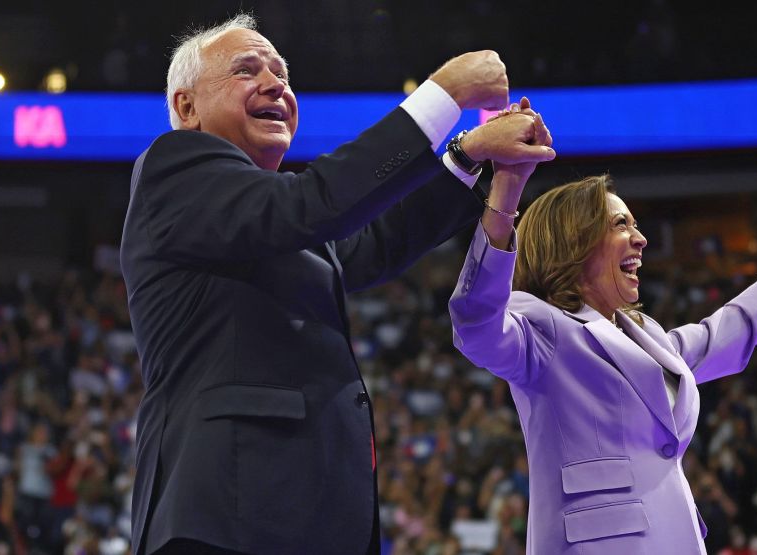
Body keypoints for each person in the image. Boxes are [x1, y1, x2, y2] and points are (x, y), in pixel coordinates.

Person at [120, 13, 554, 555]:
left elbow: (371, 244)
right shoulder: (175, 170)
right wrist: (443, 94)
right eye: (246, 70)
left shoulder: (272, 219)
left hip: (305, 517)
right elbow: (315, 205)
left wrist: (469, 154)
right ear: (187, 107)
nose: (276, 84)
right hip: (226, 515)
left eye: (281, 73)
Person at [448, 134, 757, 553]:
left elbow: (725, 331)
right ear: (574, 243)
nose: (641, 239)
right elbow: (476, 325)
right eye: (621, 224)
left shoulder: (650, 338)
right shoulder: (541, 327)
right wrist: (507, 190)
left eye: (636, 224)